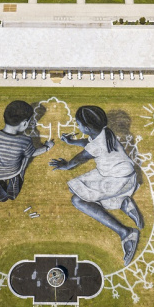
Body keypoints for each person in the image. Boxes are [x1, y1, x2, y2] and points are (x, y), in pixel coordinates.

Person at [50, 105, 142, 266]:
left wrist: (65, 165)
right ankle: (123, 202)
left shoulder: (97, 145)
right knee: (83, 189)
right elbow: (90, 142)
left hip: (116, 180)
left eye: (78, 124)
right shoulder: (105, 132)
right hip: (123, 175)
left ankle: (126, 233)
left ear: (86, 127)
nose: (77, 126)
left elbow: (81, 158)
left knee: (78, 200)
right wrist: (72, 142)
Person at [0, 100, 53, 202]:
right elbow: (33, 153)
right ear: (24, 123)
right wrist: (47, 147)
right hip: (13, 171)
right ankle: (16, 180)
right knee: (25, 157)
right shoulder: (24, 141)